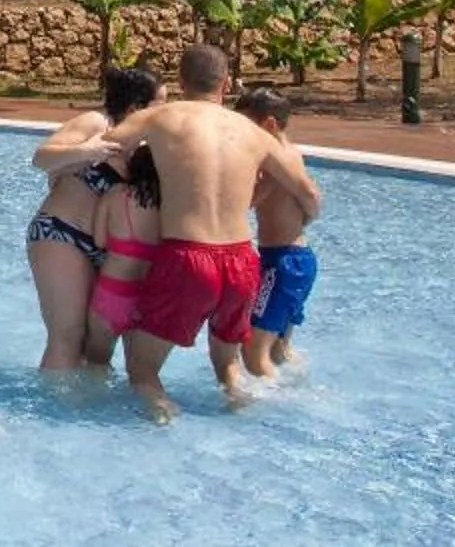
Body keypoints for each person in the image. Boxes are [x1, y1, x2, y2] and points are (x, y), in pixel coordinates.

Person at [104, 45, 319, 419]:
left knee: (143, 369)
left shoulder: (161, 117)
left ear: (181, 81)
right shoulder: (255, 134)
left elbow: (107, 146)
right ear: (226, 83)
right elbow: (309, 194)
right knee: (229, 369)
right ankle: (246, 411)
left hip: (188, 257)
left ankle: (162, 421)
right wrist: (308, 220)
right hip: (241, 262)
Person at [25, 65, 161, 370]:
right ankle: (55, 410)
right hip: (61, 234)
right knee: (68, 335)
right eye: (159, 106)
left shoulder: (145, 146)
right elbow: (41, 158)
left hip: (106, 250)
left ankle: (88, 411)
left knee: (96, 342)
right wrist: (87, 150)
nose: (164, 114)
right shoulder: (97, 123)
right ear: (135, 108)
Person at [237, 87, 316, 380]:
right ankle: (297, 390)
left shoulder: (277, 160)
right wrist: (307, 217)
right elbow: (309, 195)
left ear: (269, 124)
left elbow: (247, 201)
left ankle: (264, 414)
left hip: (282, 263)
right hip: (295, 259)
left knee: (253, 354)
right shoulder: (291, 154)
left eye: (246, 126)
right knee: (278, 350)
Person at [82, 145, 163, 370]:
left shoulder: (116, 194)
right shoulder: (170, 204)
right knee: (140, 373)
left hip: (113, 292)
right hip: (147, 296)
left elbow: (99, 241)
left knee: (96, 364)